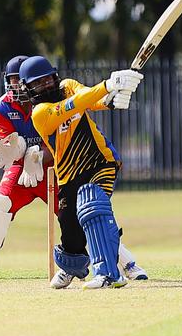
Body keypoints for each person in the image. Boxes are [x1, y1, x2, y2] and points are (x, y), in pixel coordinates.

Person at [0, 55, 147, 283]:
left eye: (23, 80)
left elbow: (73, 114)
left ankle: (126, 263)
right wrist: (20, 152)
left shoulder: (60, 92)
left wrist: (109, 97)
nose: (18, 85)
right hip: (23, 170)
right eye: (15, 80)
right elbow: (9, 148)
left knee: (84, 213)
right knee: (0, 203)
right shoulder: (2, 109)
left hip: (57, 165)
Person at [18, 55, 145, 288]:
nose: (45, 85)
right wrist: (108, 86)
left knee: (93, 206)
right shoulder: (40, 113)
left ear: (55, 77)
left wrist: (112, 98)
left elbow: (91, 99)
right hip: (68, 174)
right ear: (29, 89)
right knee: (70, 228)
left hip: (101, 160)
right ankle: (71, 266)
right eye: (38, 83)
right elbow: (75, 104)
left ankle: (108, 274)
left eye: (48, 79)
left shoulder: (68, 86)